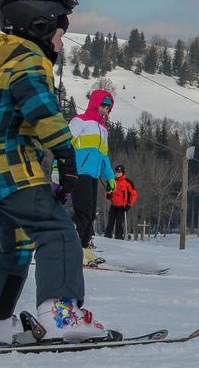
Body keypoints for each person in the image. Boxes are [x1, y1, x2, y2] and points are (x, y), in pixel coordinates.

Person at [0, 0, 109, 343]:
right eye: (58, 35)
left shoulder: (1, 67)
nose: (60, 45)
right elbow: (42, 111)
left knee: (16, 245)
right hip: (12, 167)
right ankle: (61, 314)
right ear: (39, 27)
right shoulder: (29, 62)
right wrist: (66, 157)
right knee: (57, 232)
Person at [69, 89, 115, 266]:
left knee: (91, 212)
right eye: (103, 106)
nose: (106, 110)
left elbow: (104, 155)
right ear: (95, 104)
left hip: (93, 174)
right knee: (83, 210)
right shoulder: (80, 121)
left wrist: (110, 177)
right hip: (79, 171)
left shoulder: (103, 130)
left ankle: (84, 247)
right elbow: (66, 144)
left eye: (109, 108)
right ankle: (74, 248)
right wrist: (59, 166)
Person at [103, 165, 137, 240]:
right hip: (114, 205)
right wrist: (108, 195)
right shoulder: (112, 181)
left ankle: (119, 238)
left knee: (119, 223)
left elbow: (134, 194)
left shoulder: (128, 182)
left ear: (123, 172)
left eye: (119, 172)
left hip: (123, 206)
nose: (117, 173)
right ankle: (107, 237)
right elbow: (108, 191)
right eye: (116, 172)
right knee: (110, 222)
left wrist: (129, 204)